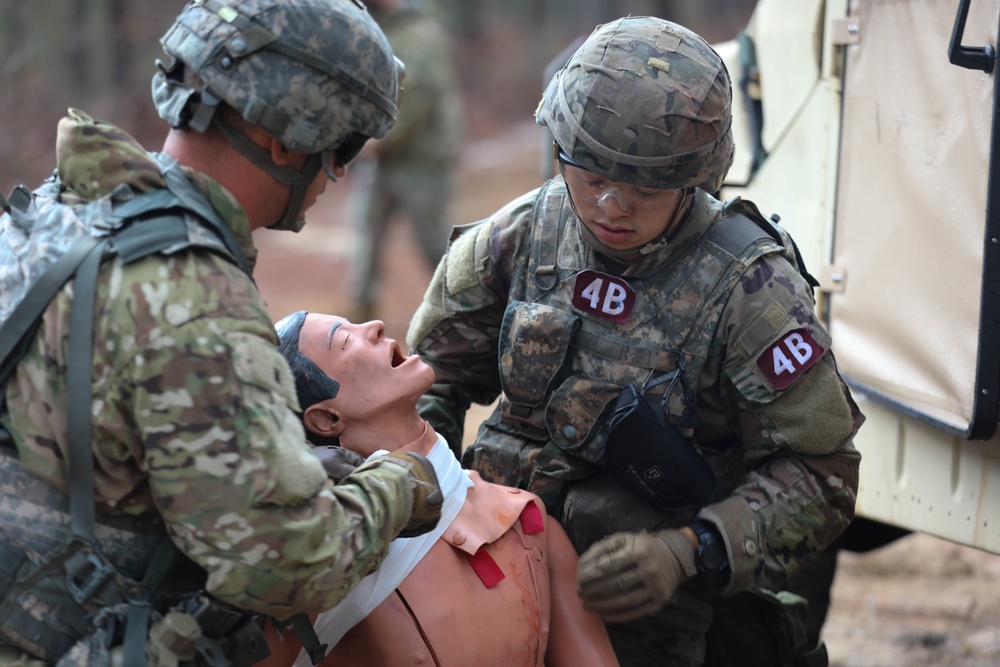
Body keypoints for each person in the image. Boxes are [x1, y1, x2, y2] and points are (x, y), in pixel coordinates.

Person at [406, 16, 864, 667]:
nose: (612, 205)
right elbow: (424, 380)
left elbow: (824, 474)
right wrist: (432, 498)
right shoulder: (522, 237)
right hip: (497, 582)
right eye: (591, 176)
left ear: (696, 176)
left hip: (658, 620)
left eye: (645, 187)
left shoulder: (752, 290)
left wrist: (691, 547)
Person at [0, 1, 445, 664]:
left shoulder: (59, 210)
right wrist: (402, 480)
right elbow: (293, 561)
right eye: (343, 144)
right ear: (288, 139)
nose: (339, 171)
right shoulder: (194, 302)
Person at [257, 310, 620, 666]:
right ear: (325, 418)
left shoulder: (530, 526)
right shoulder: (317, 563)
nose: (376, 326)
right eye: (345, 340)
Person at [348, 0, 464, 322]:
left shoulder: (423, 33)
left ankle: (461, 310)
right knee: (366, 238)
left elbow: (421, 96)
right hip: (382, 158)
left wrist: (379, 142)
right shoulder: (373, 25)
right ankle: (360, 312)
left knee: (434, 243)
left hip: (421, 161)